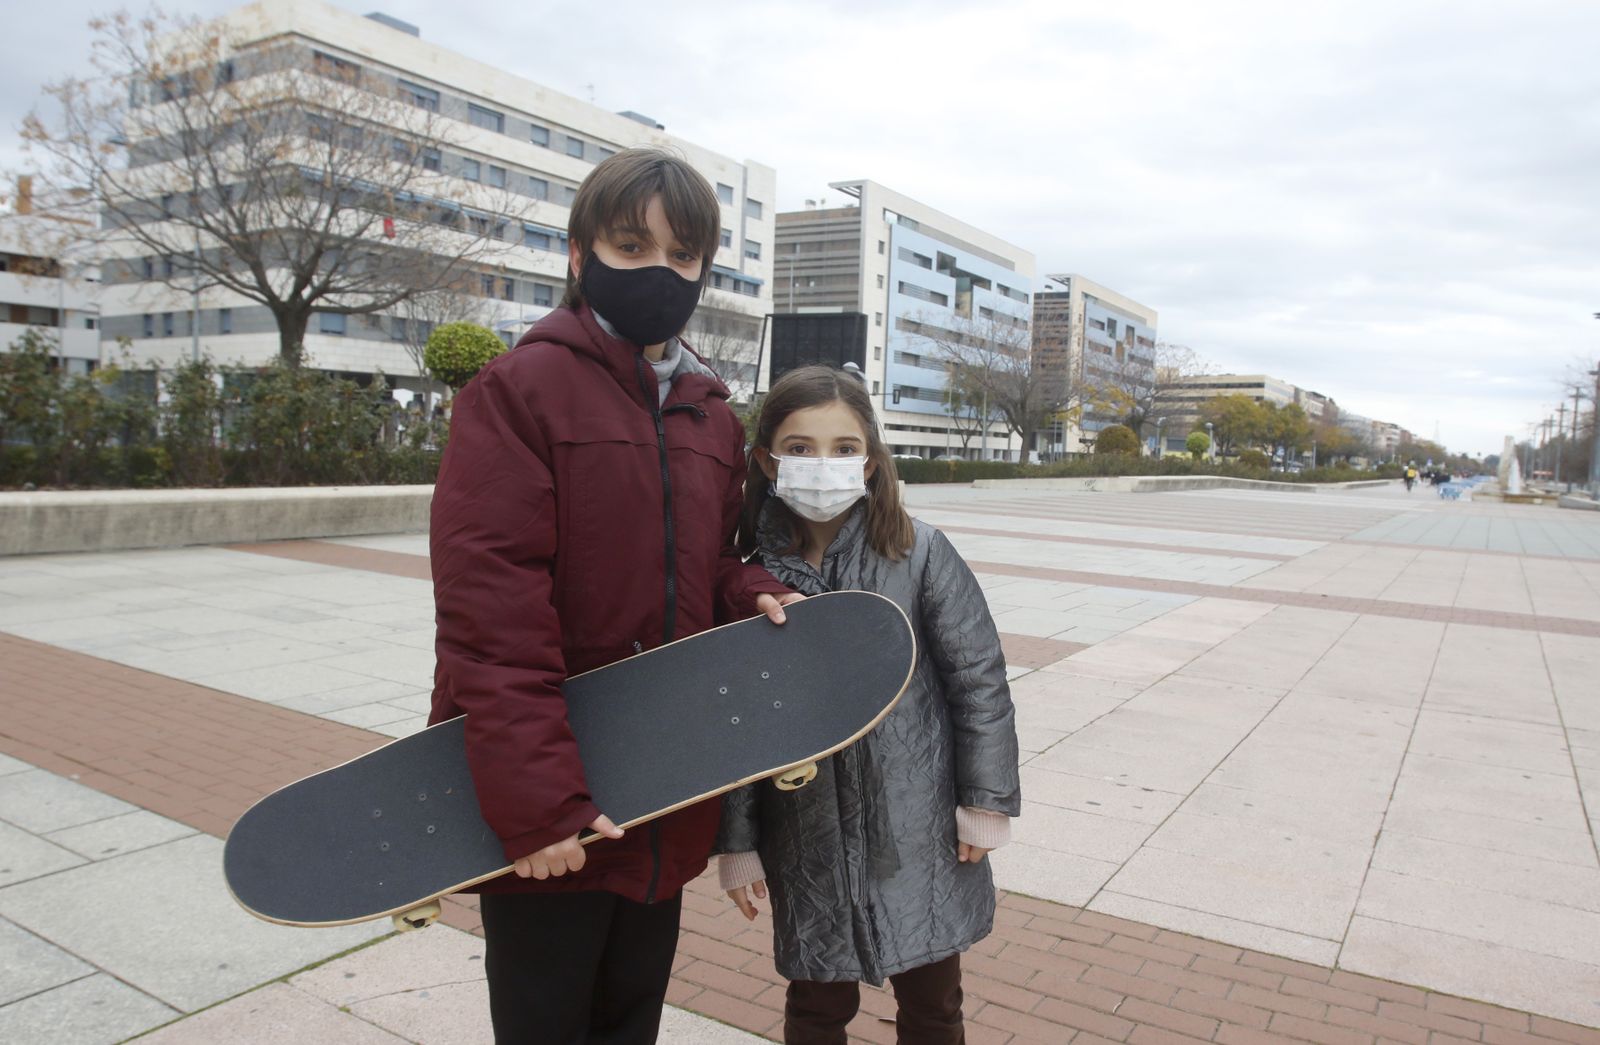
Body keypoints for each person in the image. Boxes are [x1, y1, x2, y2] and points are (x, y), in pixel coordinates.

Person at [429, 148, 799, 1044]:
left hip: (661, 787)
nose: (659, 272)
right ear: (577, 254)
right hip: (555, 803)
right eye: (632, 247)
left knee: (631, 1022)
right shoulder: (517, 393)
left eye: (682, 255)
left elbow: (710, 559)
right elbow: (491, 617)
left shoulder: (712, 414)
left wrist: (748, 588)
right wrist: (539, 802)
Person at [716, 366, 1022, 1045]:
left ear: (872, 461)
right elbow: (741, 719)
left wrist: (986, 798)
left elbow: (978, 681)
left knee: (934, 1003)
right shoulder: (750, 576)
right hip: (806, 833)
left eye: (843, 447)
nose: (821, 465)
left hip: (918, 829)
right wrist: (737, 841)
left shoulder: (919, 554)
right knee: (817, 1006)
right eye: (798, 448)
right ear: (767, 459)